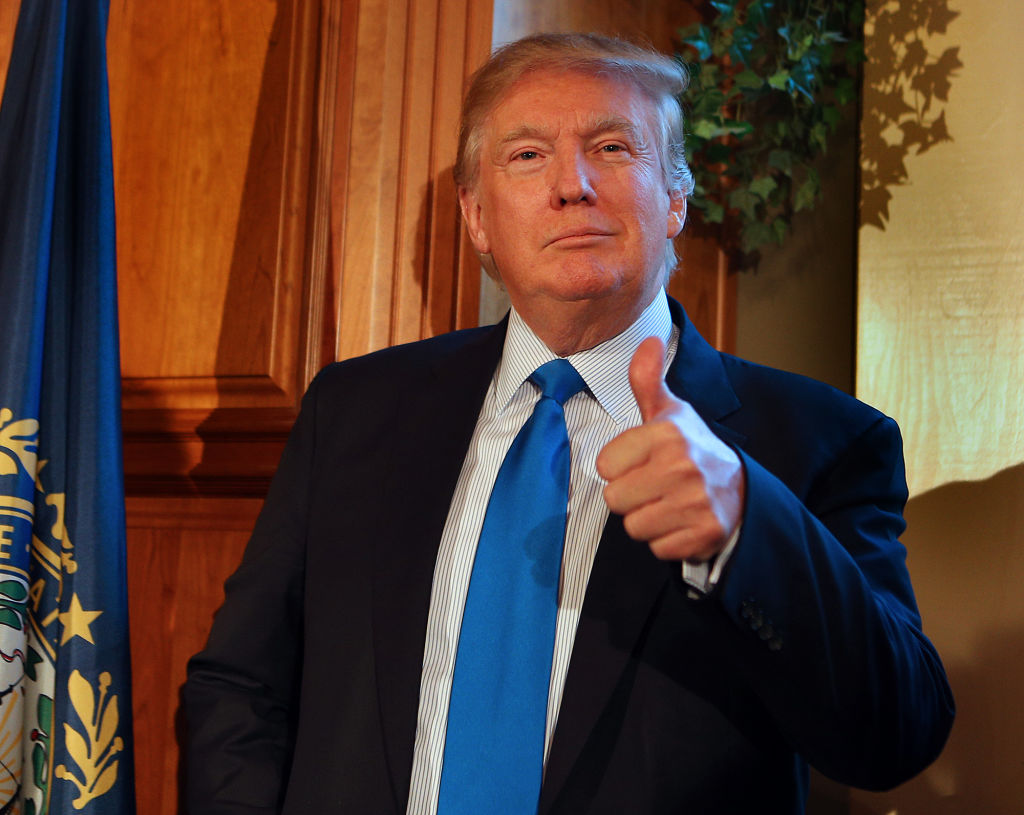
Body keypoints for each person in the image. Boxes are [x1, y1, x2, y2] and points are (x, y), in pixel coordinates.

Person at [184, 32, 954, 815]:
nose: (572, 185)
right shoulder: (353, 412)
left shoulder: (822, 441)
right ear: (477, 216)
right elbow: (240, 688)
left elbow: (897, 733)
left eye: (613, 147)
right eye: (526, 155)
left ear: (676, 197)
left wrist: (748, 527)